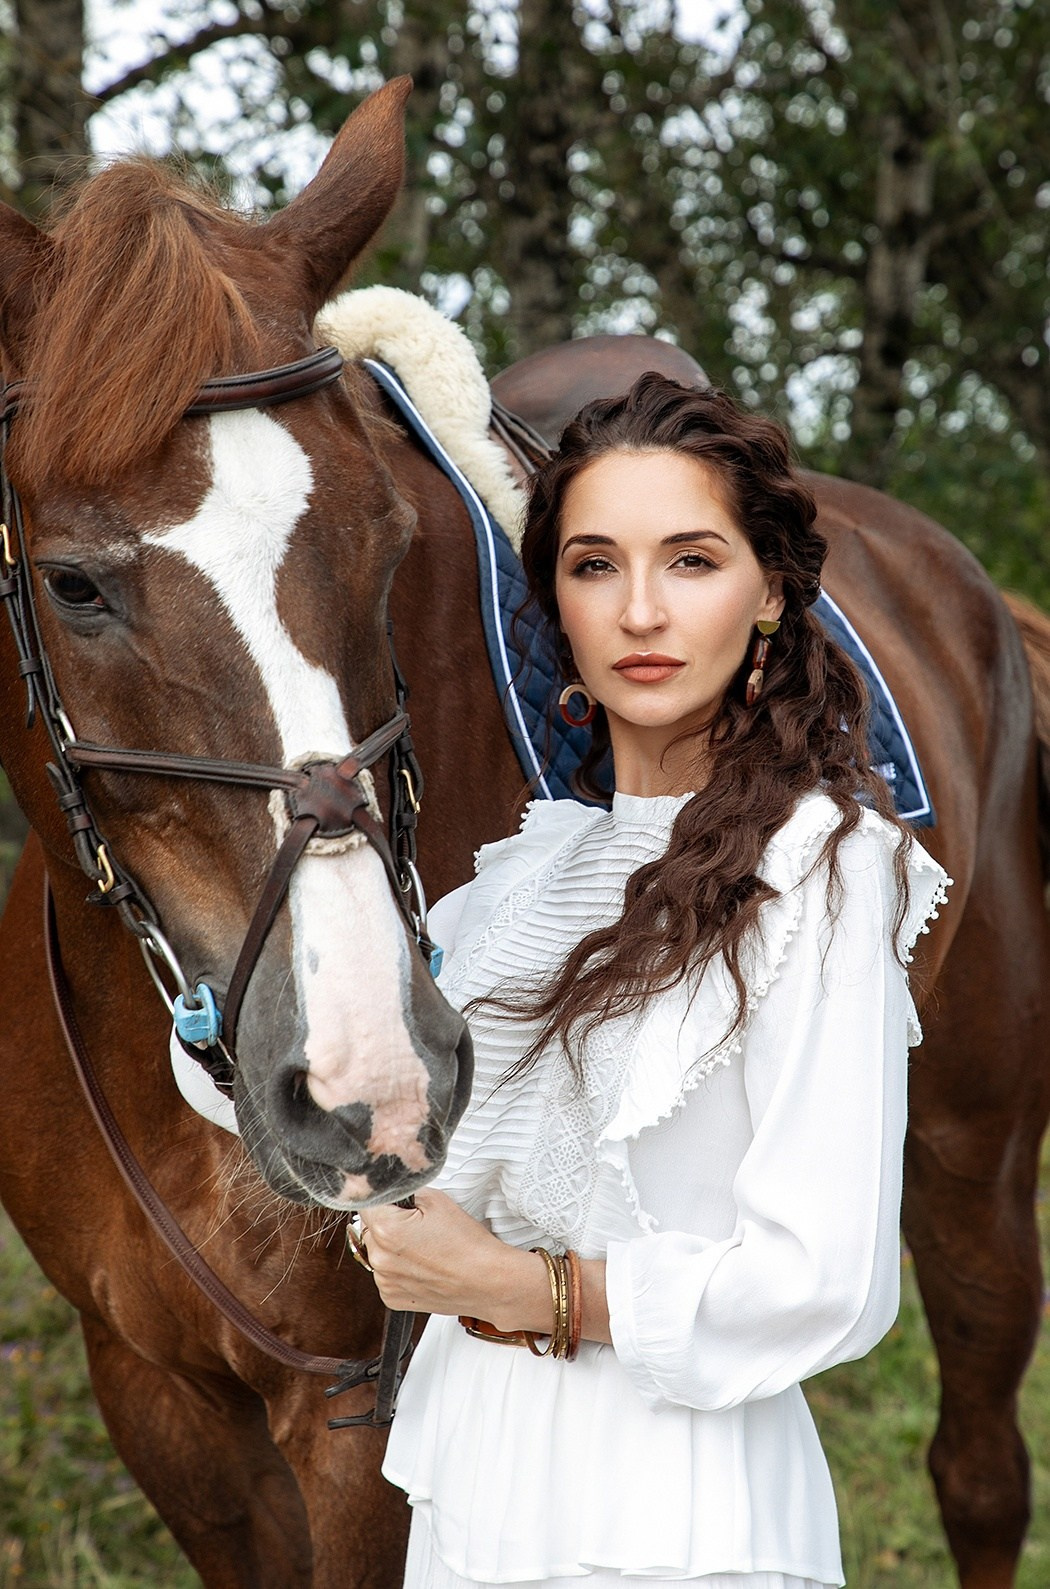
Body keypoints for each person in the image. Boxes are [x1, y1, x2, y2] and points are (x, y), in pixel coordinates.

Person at [358, 372, 950, 1589]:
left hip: (678, 1508)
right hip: (471, 1474)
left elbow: (826, 1281)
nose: (639, 610)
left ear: (771, 591)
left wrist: (524, 1287)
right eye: (592, 565)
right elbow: (357, 1106)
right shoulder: (524, 877)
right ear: (555, 606)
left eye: (690, 561)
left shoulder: (823, 870)